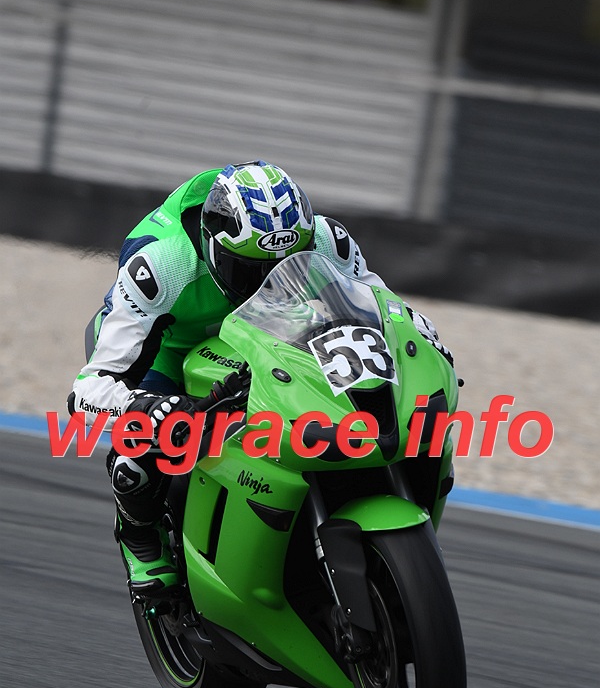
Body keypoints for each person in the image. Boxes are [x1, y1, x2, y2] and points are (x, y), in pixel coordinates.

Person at [69, 160, 451, 603]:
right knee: (140, 454)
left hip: (275, 329)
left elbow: (383, 308)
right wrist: (146, 408)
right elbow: (87, 390)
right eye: (249, 270)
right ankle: (141, 539)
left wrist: (425, 341)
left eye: (286, 264)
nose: (265, 282)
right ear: (213, 246)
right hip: (171, 347)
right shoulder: (161, 264)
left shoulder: (326, 239)